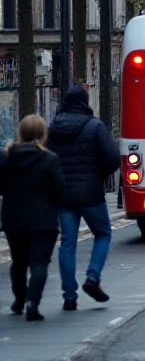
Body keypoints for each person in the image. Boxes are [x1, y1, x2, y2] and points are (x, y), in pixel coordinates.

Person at [47, 83, 120, 310]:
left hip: (63, 194)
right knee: (103, 233)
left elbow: (47, 159)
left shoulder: (53, 129)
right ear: (84, 102)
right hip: (91, 193)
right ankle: (92, 276)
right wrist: (99, 176)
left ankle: (69, 294)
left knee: (67, 242)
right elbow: (113, 158)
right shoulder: (94, 127)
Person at [0, 115, 64, 321]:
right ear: (42, 134)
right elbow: (59, 189)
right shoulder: (50, 159)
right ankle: (32, 303)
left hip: (14, 219)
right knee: (39, 263)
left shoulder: (7, 157)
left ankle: (19, 299)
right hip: (43, 220)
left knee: (18, 262)